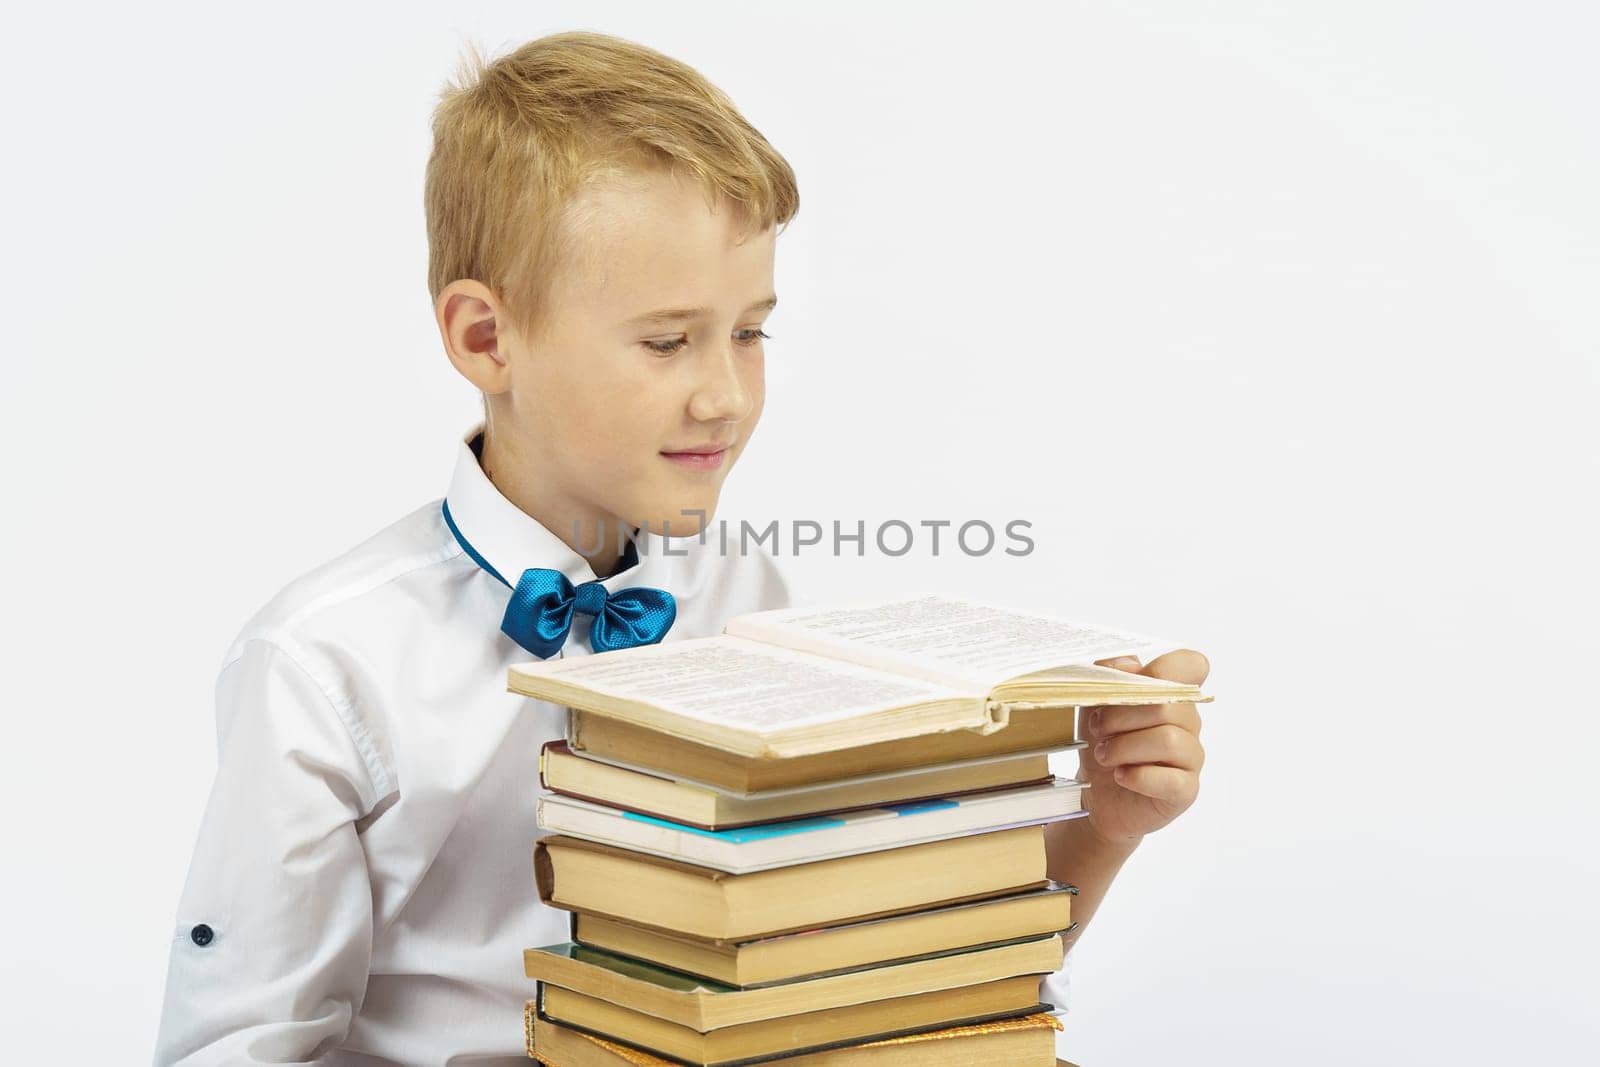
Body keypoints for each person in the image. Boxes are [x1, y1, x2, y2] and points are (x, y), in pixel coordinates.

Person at [152, 29, 1207, 1066]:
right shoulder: (325, 661)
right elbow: (236, 1045)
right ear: (485, 338)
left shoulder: (750, 595)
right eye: (667, 341)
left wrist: (1102, 826)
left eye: (749, 331)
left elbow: (887, 987)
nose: (727, 395)